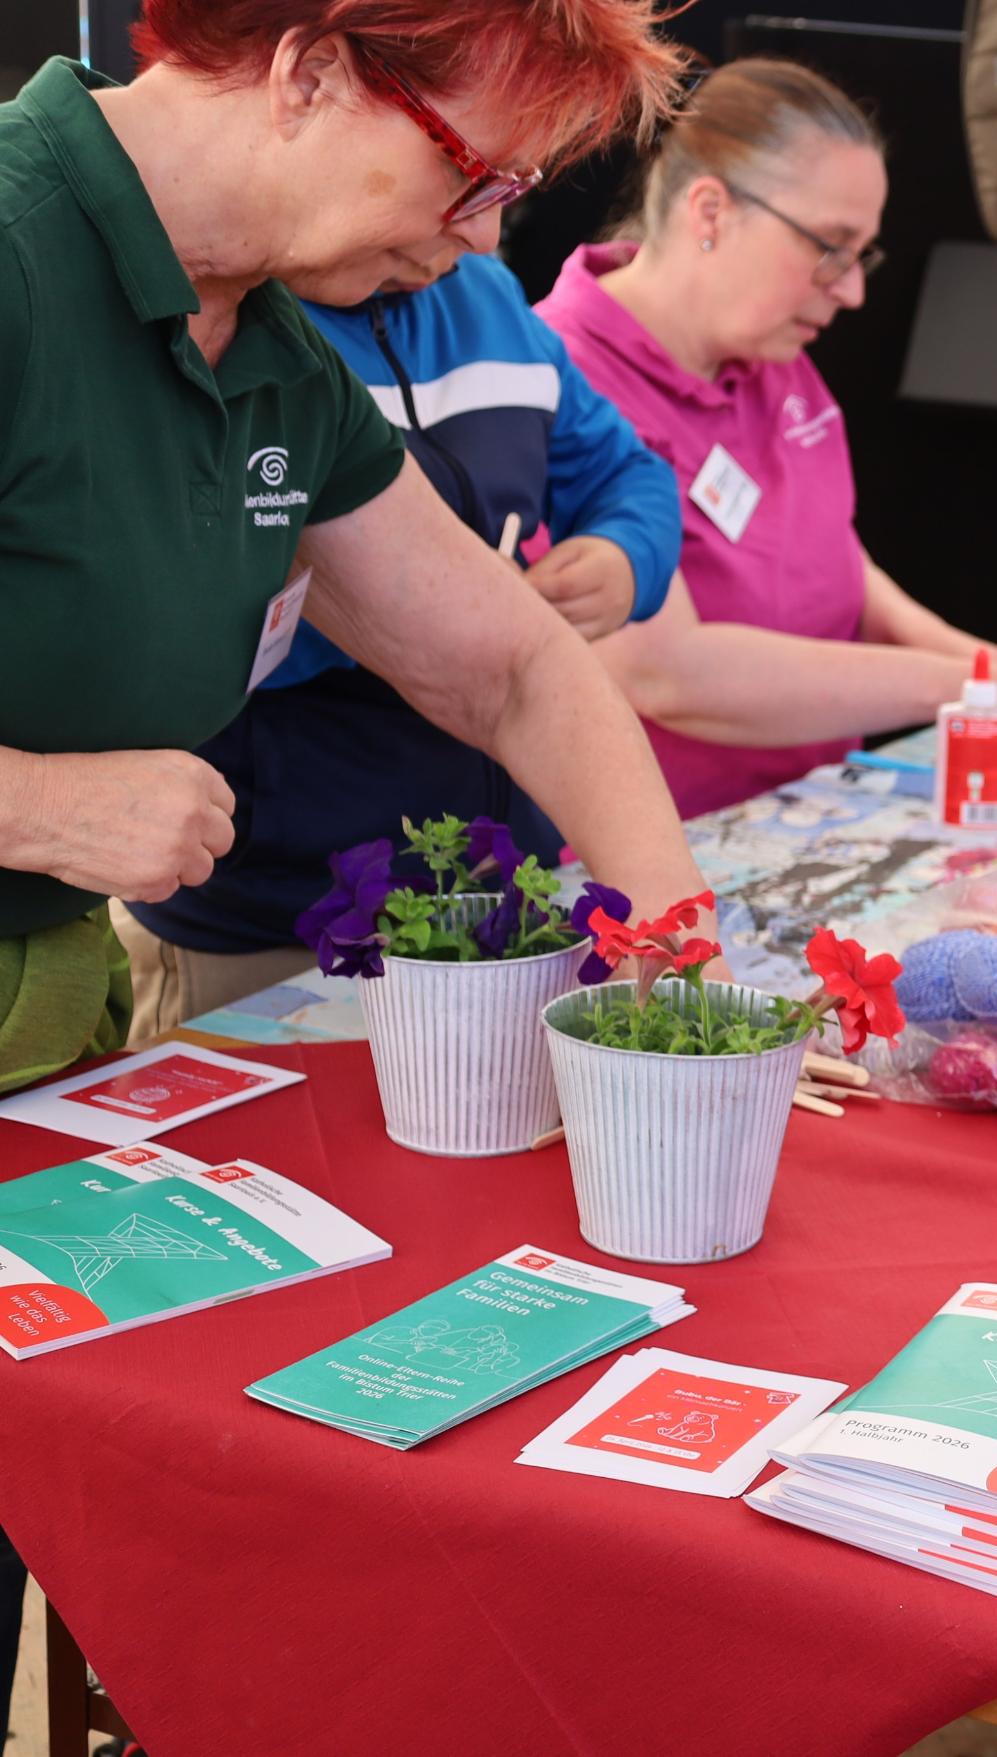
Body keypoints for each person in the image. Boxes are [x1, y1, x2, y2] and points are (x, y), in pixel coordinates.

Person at [0, 0, 715, 1721]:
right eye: (471, 185)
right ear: (312, 68)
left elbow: (517, 666)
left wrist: (679, 955)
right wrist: (33, 805)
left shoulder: (264, 343)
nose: (475, 244)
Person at [116, 243, 683, 1037]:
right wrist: (405, 624)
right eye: (468, 178)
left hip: (495, 899)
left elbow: (632, 473)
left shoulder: (490, 295)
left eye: (513, 188)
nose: (484, 231)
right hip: (270, 914)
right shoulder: (228, 323)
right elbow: (164, 616)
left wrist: (626, 556)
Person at [534, 58, 997, 823]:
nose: (853, 289)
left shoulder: (771, 356)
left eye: (863, 253)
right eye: (830, 246)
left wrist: (979, 664)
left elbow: (830, 556)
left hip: (811, 816)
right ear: (710, 212)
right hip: (661, 858)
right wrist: (953, 683)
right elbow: (667, 672)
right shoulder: (556, 375)